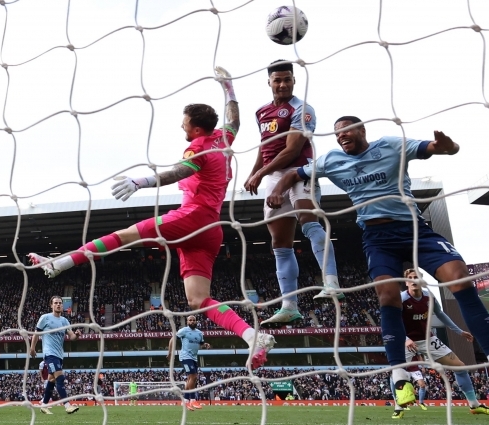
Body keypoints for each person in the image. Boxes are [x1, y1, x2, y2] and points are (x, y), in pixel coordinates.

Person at [265, 116, 489, 407]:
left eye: (347, 130)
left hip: (415, 229)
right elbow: (295, 174)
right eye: (338, 133)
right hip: (377, 238)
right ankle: (400, 379)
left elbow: (437, 148)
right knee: (388, 297)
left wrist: (447, 146)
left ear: (362, 130)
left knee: (460, 278)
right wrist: (278, 190)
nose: (342, 136)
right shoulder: (332, 160)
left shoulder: (391, 146)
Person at [28, 68, 275, 368]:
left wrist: (139, 182)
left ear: (196, 129)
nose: (181, 126)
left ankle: (62, 262)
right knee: (198, 300)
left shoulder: (197, 149)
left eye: (185, 123)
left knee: (126, 235)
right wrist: (229, 89)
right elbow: (234, 119)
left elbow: (178, 172)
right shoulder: (223, 138)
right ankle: (251, 336)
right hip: (212, 229)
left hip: (192, 218)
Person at [245, 60, 342, 328]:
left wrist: (260, 173)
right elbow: (264, 147)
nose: (283, 84)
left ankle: (331, 282)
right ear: (269, 82)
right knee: (279, 242)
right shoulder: (261, 112)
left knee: (309, 220)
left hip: (301, 170)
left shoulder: (302, 109)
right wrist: (255, 171)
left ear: (294, 80)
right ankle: (289, 306)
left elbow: (291, 149)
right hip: (273, 173)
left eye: (287, 79)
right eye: (277, 80)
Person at [390, 268, 489, 418]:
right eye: (411, 278)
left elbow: (441, 314)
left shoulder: (429, 297)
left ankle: (474, 405)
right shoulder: (400, 299)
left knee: (460, 367)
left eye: (417, 277)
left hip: (428, 339)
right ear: (406, 283)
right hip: (407, 341)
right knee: (397, 372)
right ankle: (398, 408)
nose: (414, 280)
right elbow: (392, 322)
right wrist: (405, 339)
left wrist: (459, 331)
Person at [30, 295, 82, 415]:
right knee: (60, 377)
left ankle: (44, 405)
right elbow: (36, 334)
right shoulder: (45, 318)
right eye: (56, 303)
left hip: (59, 355)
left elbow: (72, 337)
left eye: (60, 303)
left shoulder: (64, 321)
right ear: (51, 305)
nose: (58, 305)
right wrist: (32, 348)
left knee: (52, 380)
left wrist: (77, 335)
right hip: (49, 354)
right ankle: (67, 405)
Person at [168, 315, 210, 411]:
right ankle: (193, 399)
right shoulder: (184, 331)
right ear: (187, 322)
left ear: (196, 321)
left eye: (193, 320)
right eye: (190, 320)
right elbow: (172, 339)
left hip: (194, 358)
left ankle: (186, 401)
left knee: (191, 379)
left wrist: (205, 345)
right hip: (185, 357)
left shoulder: (199, 333)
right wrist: (170, 352)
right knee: (193, 377)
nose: (192, 321)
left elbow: (201, 343)